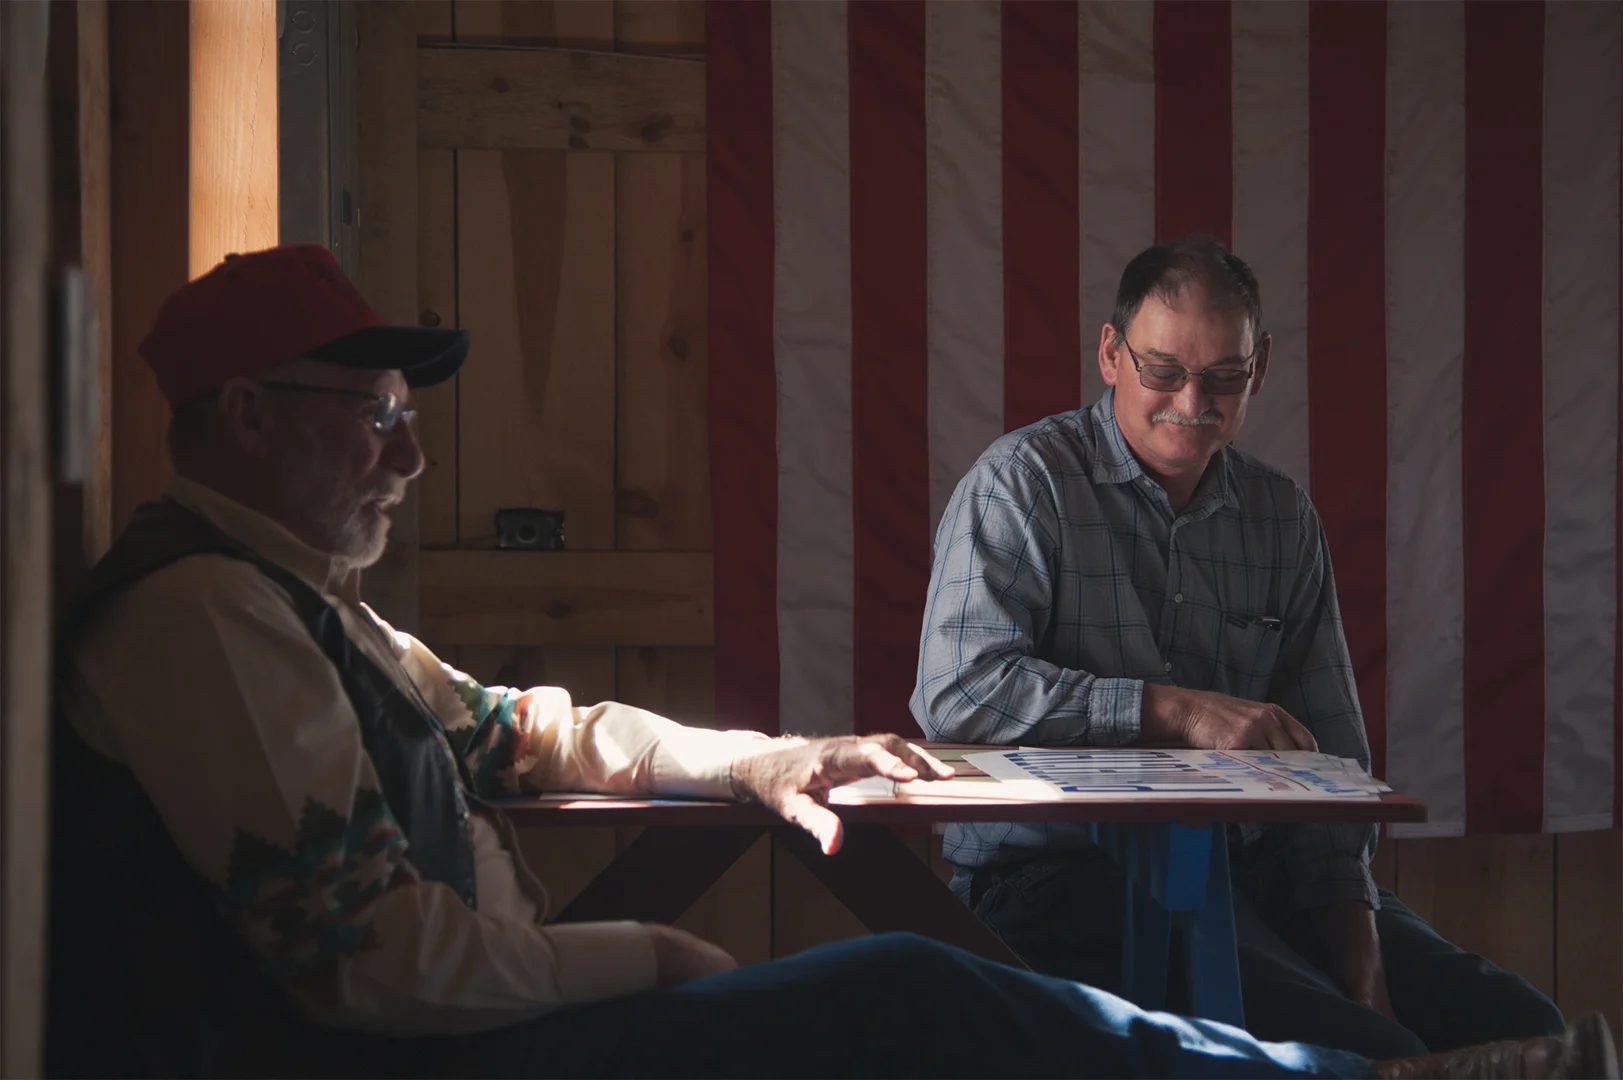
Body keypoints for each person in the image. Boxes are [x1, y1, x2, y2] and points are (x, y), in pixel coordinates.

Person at [46, 243, 1611, 1080]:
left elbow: (536, 727)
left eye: (1222, 383)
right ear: (247, 416)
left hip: (1251, 868)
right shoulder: (205, 622)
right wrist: (643, 952)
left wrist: (765, 760)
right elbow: (369, 965)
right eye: (373, 412)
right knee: (923, 995)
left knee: (1486, 1001)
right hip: (460, 1053)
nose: (409, 451)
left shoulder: (311, 605)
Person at [910, 233, 1577, 1062]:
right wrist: (1172, 709)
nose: (1192, 399)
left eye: (1223, 376)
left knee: (1530, 1032)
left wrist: (1361, 964)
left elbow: (1329, 764)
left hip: (1256, 870)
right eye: (1163, 370)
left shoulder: (1279, 517)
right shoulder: (1021, 484)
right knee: (1362, 1049)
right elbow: (958, 695)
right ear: (1110, 354)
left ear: (1258, 369)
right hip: (1057, 881)